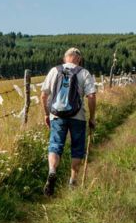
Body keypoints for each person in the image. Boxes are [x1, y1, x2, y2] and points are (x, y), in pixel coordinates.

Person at [40, 47, 97, 196]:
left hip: (57, 115)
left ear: (65, 58)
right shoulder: (83, 72)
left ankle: (52, 170)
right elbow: (91, 97)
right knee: (77, 148)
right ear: (78, 59)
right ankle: (72, 181)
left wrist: (47, 114)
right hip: (78, 117)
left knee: (55, 145)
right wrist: (92, 117)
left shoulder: (54, 71)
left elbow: (43, 96)